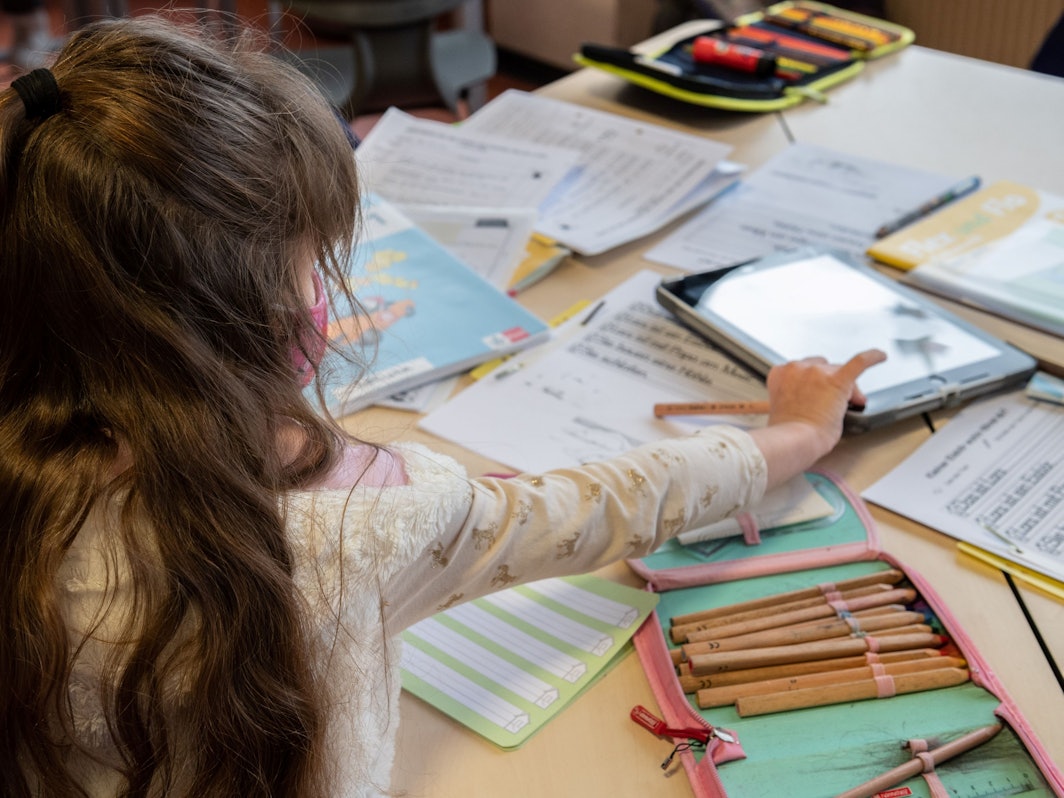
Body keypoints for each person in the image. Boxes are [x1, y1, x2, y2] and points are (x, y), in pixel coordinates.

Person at [0, 14, 886, 798]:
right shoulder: (359, 523)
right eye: (312, 266)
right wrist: (798, 433)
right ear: (244, 322)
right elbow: (586, 508)